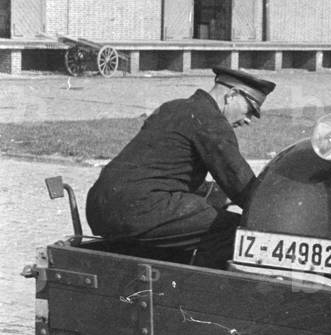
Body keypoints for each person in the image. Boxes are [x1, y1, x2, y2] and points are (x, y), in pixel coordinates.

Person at [85, 67, 276, 268]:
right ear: (232, 95)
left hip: (102, 208)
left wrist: (220, 195)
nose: (247, 120)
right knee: (234, 231)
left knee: (199, 216)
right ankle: (196, 292)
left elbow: (163, 172)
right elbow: (240, 183)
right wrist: (273, 214)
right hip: (140, 209)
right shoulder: (211, 120)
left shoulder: (173, 108)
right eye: (249, 110)